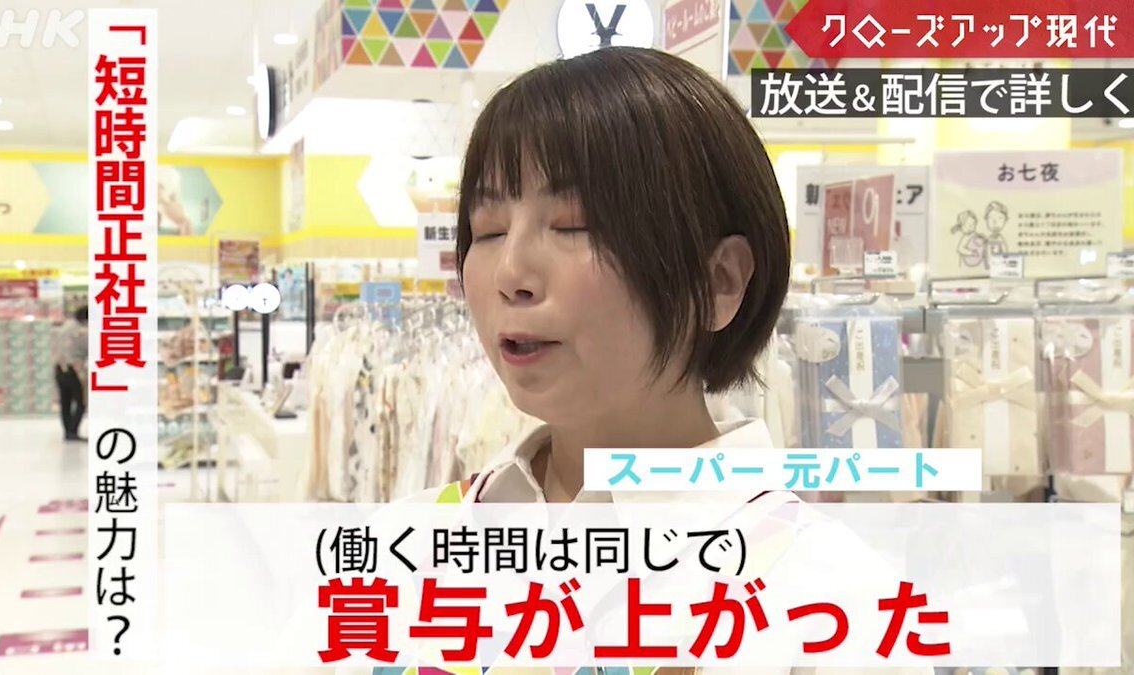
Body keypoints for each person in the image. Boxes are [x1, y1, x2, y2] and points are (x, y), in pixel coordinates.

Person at [379, 48, 934, 675]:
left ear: (720, 281)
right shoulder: (400, 548)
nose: (511, 273)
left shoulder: (837, 602)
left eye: (573, 224)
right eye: (487, 230)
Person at [52, 306, 89, 441]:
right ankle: (73, 431)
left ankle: (68, 431)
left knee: (65, 402)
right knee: (81, 401)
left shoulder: (64, 328)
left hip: (59, 367)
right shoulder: (83, 332)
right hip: (74, 369)